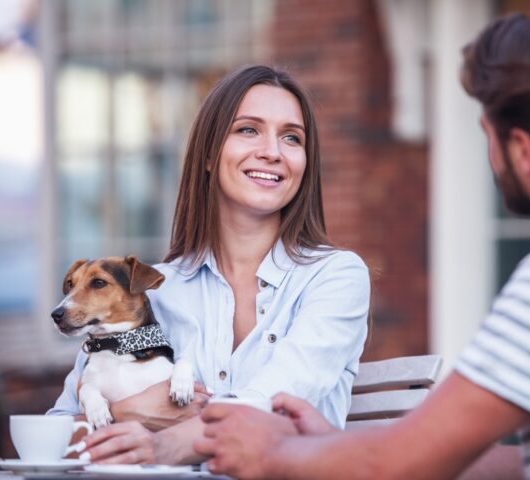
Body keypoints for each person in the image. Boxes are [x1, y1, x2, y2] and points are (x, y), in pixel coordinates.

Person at [193, 7, 530, 479]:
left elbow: (396, 466)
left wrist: (273, 454)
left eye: (486, 135)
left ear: (524, 151)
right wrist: (329, 447)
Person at [47, 65, 370, 464]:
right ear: (208, 154)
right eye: (248, 130)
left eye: (291, 137)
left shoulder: (335, 278)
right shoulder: (152, 290)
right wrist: (125, 410)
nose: (272, 151)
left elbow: (278, 404)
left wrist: (166, 439)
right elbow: (58, 428)